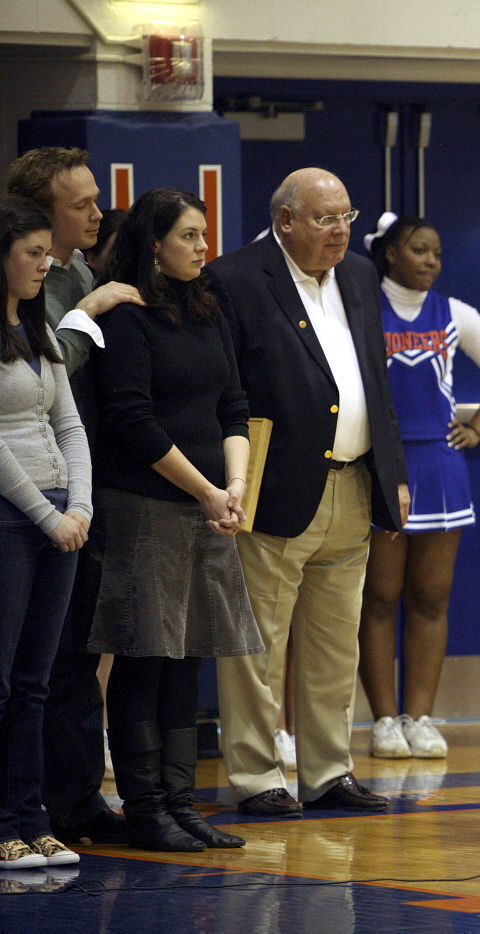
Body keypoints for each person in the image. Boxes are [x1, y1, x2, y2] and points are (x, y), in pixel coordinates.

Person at [205, 168, 410, 817]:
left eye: (347, 216)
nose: (340, 230)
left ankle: (328, 771)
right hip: (276, 487)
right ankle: (258, 775)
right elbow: (226, 393)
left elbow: (376, 382)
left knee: (334, 641)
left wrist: (395, 471)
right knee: (258, 642)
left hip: (353, 483)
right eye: (325, 218)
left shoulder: (357, 276)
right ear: (286, 219)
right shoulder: (236, 279)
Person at [88, 188, 263, 852]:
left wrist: (234, 486)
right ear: (154, 243)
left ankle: (183, 802)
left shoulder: (208, 309)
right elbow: (132, 419)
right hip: (145, 506)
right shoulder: (129, 315)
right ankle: (146, 805)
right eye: (188, 236)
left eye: (204, 234)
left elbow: (234, 406)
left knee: (189, 656)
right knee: (146, 656)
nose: (201, 247)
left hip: (208, 506)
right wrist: (204, 490)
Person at [6, 146, 140, 847]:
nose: (96, 213)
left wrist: (81, 502)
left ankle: (70, 801)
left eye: (96, 199)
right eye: (80, 203)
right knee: (27, 667)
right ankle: (29, 809)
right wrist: (90, 309)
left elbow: (73, 413)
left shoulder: (78, 273)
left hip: (77, 488)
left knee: (71, 657)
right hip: (23, 499)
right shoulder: (53, 287)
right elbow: (42, 373)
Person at [359, 213, 480, 758]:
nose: (431, 261)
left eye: (437, 253)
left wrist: (477, 424)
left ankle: (419, 716)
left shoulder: (455, 313)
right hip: (380, 464)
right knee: (378, 597)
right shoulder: (361, 307)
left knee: (431, 597)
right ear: (392, 254)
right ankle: (382, 721)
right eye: (419, 249)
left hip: (441, 468)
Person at [0, 196, 89, 870]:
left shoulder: (41, 328)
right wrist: (46, 515)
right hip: (14, 517)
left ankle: (33, 818)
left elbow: (70, 425)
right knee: (3, 680)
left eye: (44, 253)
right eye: (32, 253)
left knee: (37, 679)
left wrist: (79, 506)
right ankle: (6, 823)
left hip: (60, 514)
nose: (45, 264)